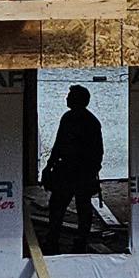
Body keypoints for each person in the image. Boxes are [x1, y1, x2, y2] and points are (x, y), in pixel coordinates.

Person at [41, 84, 104, 255]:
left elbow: (97, 152)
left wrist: (90, 173)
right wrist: (49, 165)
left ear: (77, 100)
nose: (66, 99)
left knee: (76, 207)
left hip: (78, 171)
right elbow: (58, 145)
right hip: (70, 170)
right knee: (61, 206)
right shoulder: (71, 119)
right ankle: (59, 239)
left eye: (70, 96)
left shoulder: (88, 122)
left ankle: (76, 240)